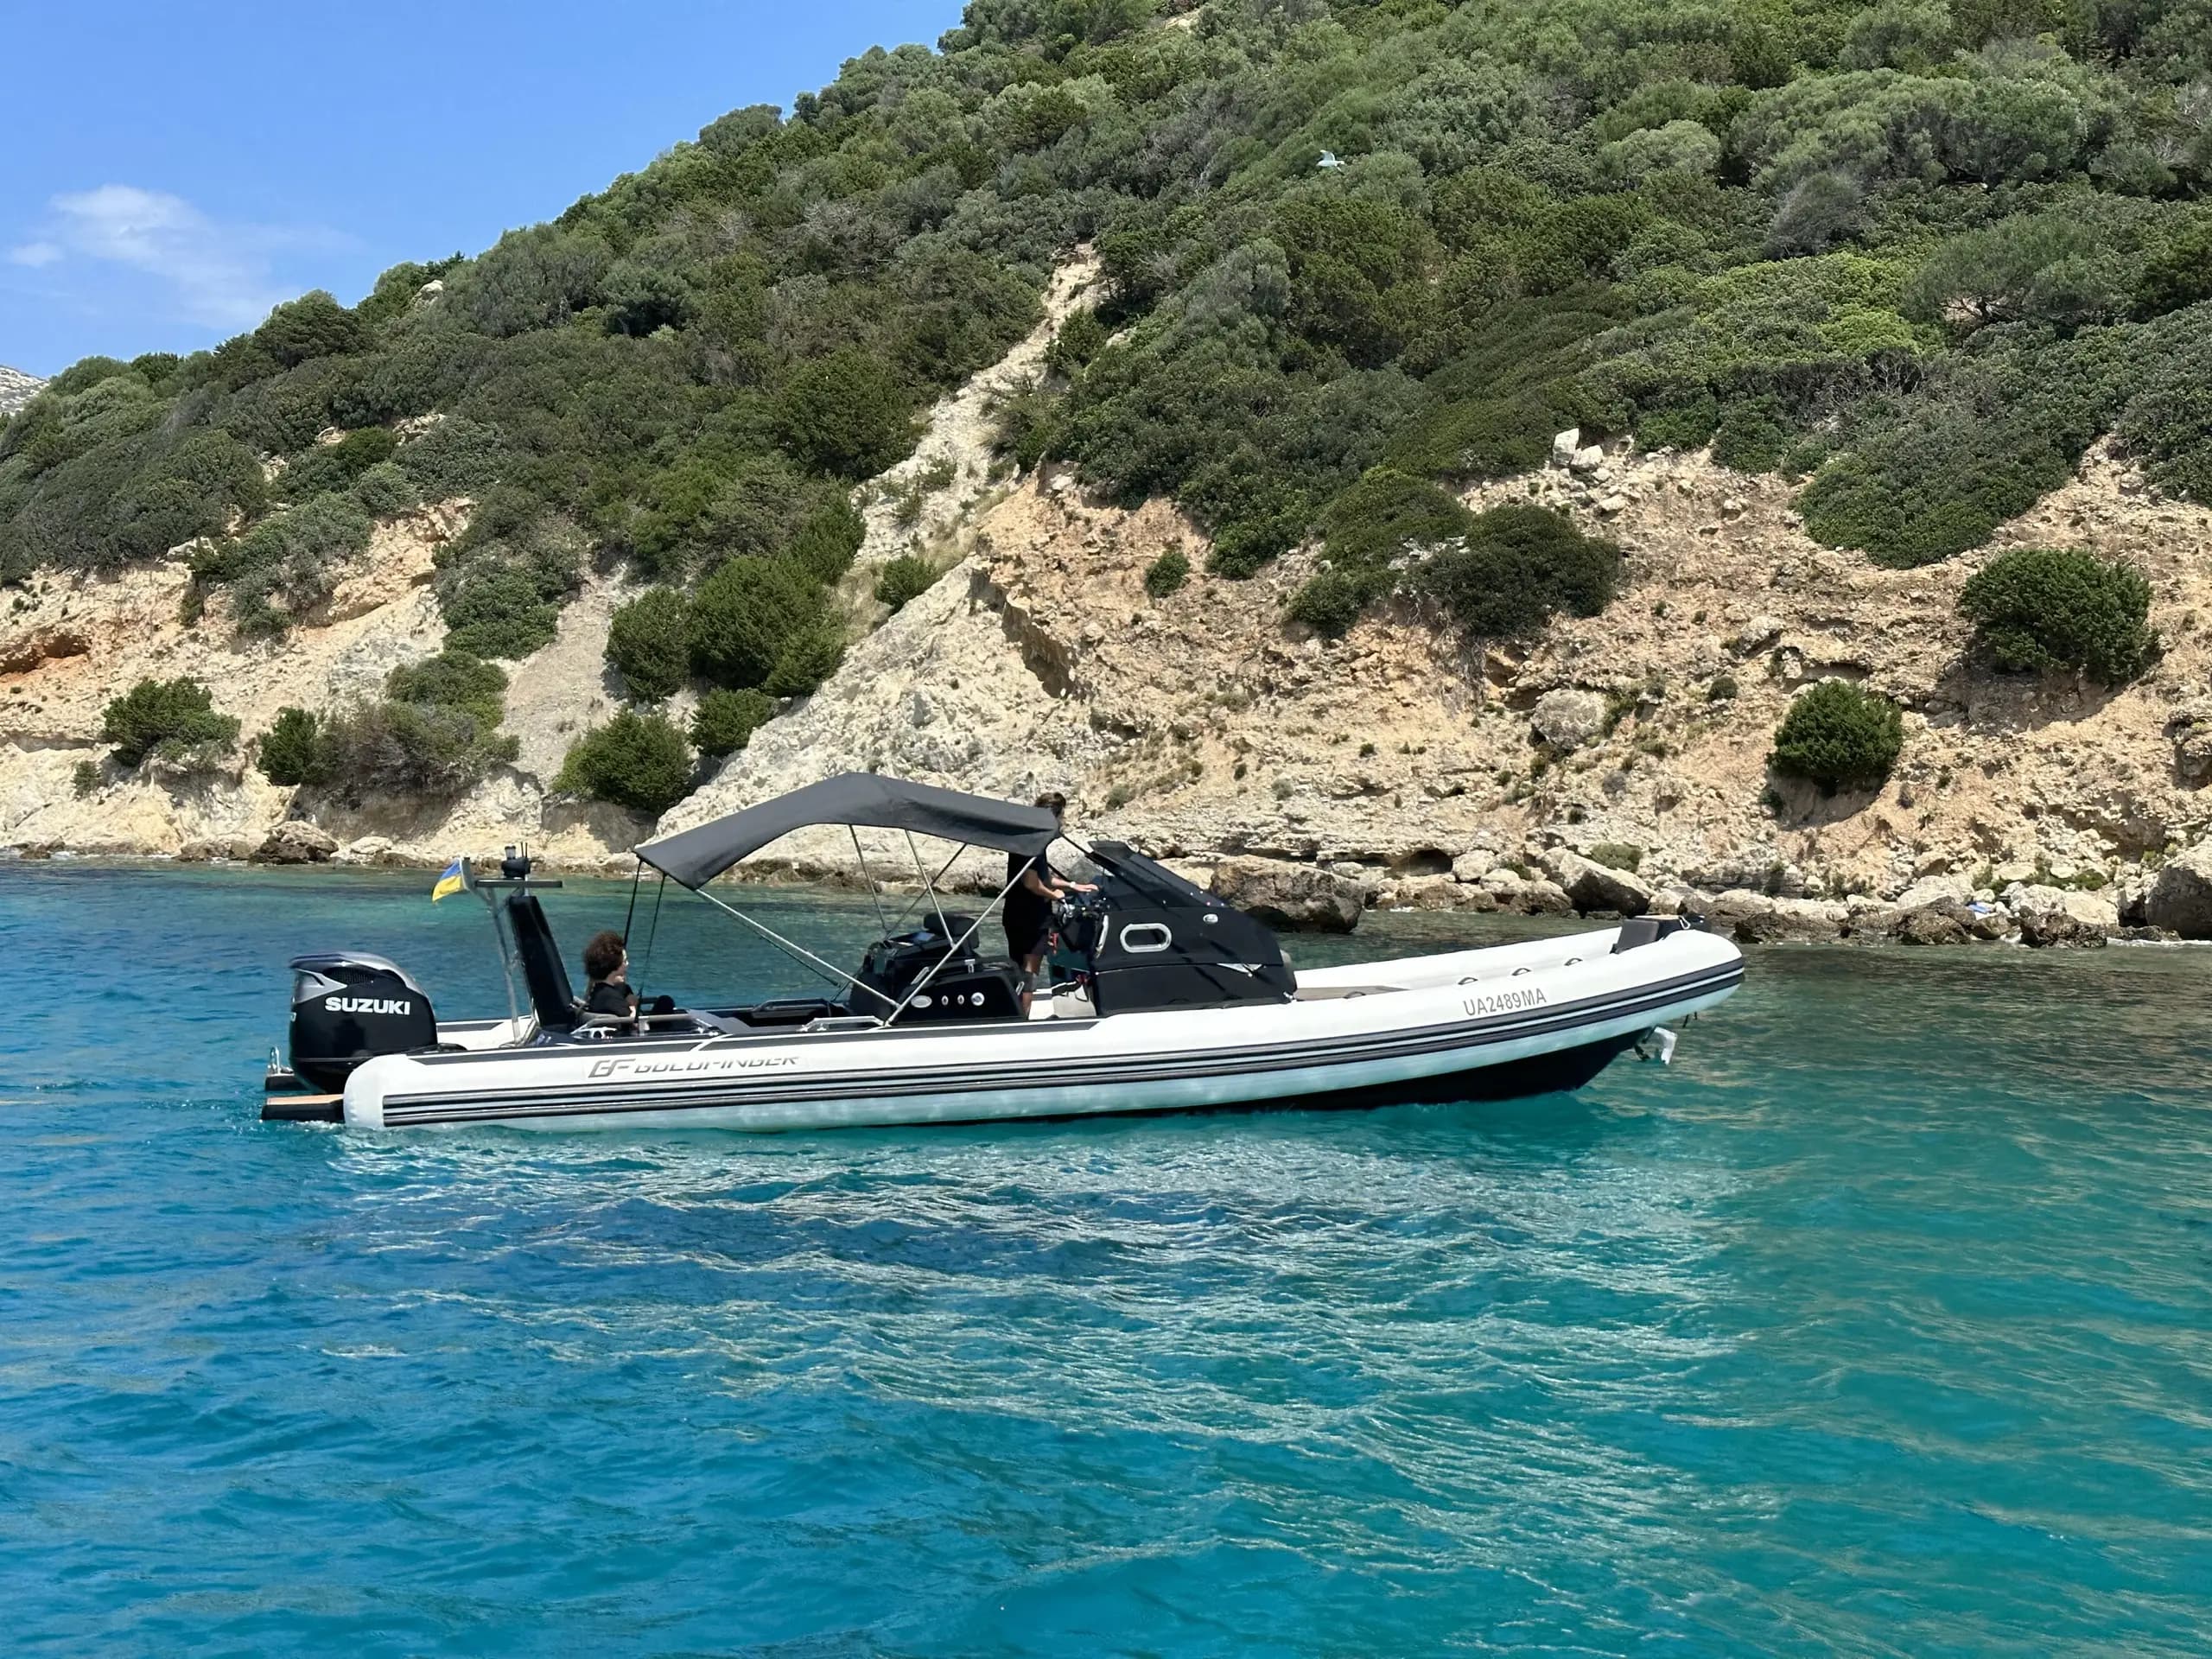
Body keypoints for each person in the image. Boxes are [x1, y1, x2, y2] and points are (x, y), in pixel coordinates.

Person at [1004, 791, 1096, 1016]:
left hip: (1013, 915)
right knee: (1030, 971)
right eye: (1061, 816)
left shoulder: (1023, 839)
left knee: (1017, 967)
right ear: (1055, 815)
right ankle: (1021, 1019)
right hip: (1032, 917)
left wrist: (1072, 886)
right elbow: (1031, 883)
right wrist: (1055, 896)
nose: (1062, 822)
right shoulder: (1035, 843)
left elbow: (1043, 878)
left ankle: (1013, 1013)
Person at [582, 931, 640, 1027]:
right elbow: (637, 1024)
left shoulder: (598, 991)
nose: (627, 964)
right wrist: (633, 1006)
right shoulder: (610, 997)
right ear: (615, 965)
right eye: (625, 961)